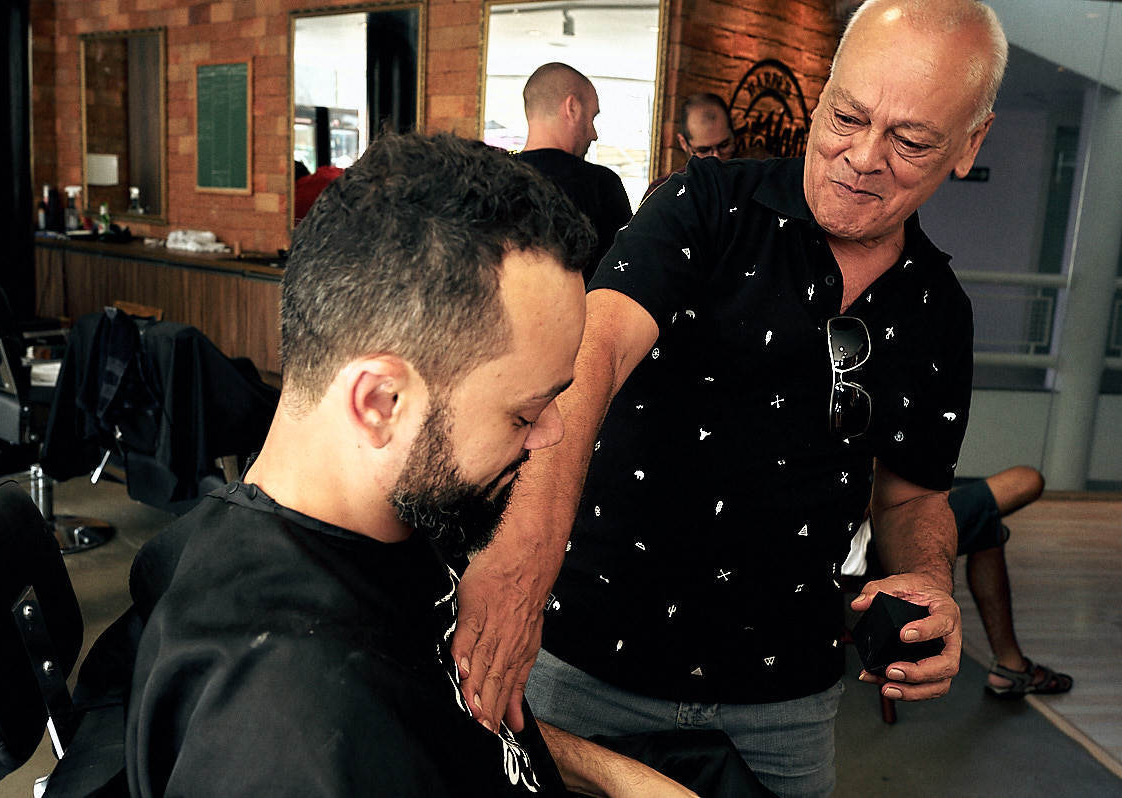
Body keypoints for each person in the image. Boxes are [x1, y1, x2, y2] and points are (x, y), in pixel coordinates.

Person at [449, 1, 1008, 796]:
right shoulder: (706, 206)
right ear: (822, 95)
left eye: (911, 140)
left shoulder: (939, 309)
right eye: (847, 116)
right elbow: (594, 352)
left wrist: (924, 579)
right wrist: (523, 555)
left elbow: (912, 497)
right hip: (588, 667)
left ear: (969, 144)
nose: (861, 156)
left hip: (787, 699)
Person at [124, 132, 704, 798]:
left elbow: (444, 718)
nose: (550, 437)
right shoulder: (293, 733)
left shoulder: (396, 519)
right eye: (523, 413)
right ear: (379, 402)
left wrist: (614, 776)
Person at [843, 465, 1073, 697]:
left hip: (877, 520)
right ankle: (1011, 666)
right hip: (862, 543)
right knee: (1025, 482)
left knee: (988, 523)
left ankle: (1011, 667)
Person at [517, 62, 633, 285]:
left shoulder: (492, 182)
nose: (594, 134)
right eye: (592, 118)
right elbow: (624, 276)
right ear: (572, 108)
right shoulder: (601, 185)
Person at [642, 93, 736, 201]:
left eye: (724, 145)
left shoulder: (751, 182)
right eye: (703, 150)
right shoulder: (662, 192)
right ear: (683, 143)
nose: (716, 157)